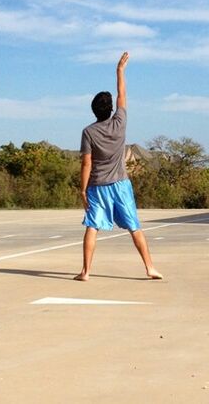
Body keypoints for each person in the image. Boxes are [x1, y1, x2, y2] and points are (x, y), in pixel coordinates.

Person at [74, 52, 162, 281]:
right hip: (121, 184)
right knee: (134, 226)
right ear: (110, 108)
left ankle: (85, 271)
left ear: (94, 110)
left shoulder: (89, 132)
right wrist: (120, 71)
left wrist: (83, 190)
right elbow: (122, 94)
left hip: (97, 186)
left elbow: (86, 163)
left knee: (92, 226)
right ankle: (150, 267)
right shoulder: (119, 122)